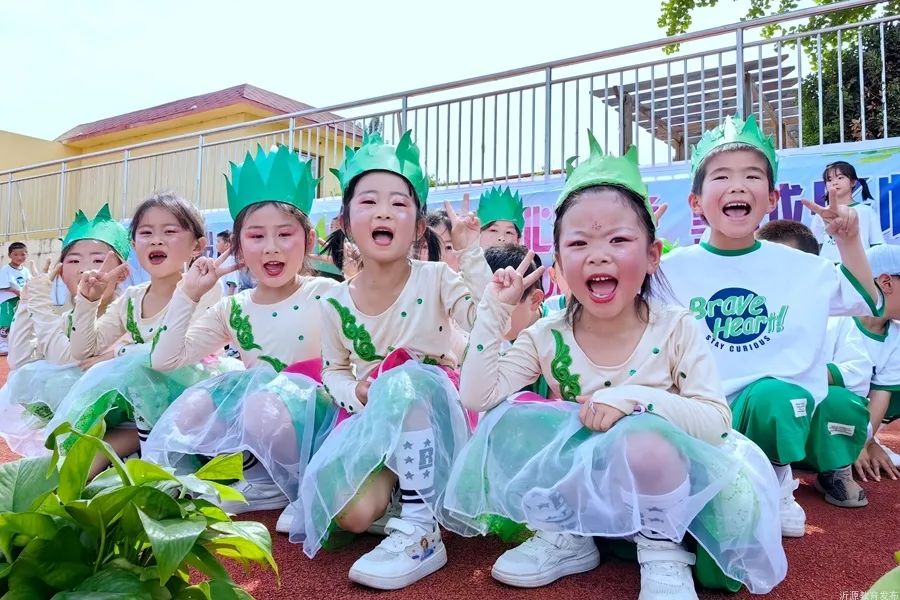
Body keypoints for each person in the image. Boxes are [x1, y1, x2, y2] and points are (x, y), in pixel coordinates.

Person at [445, 136, 785, 597]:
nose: (598, 255)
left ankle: (663, 552)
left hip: (669, 485)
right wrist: (493, 312)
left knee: (644, 439)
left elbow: (715, 419)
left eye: (619, 240)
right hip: (587, 490)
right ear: (560, 262)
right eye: (579, 242)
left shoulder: (675, 327)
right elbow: (477, 398)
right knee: (510, 418)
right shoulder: (548, 333)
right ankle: (570, 535)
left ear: (651, 256)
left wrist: (630, 401)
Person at [661, 114, 883, 538]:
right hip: (698, 415)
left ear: (772, 197)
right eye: (722, 176)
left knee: (775, 394)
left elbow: (866, 298)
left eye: (752, 176)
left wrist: (849, 240)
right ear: (696, 202)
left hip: (774, 412)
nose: (738, 186)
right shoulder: (671, 270)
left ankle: (776, 481)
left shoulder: (802, 268)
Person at [289, 131, 491, 590]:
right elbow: (333, 372)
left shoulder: (438, 277)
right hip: (374, 419)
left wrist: (472, 254)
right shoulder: (335, 302)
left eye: (399, 204)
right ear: (344, 221)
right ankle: (403, 496)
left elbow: (485, 320)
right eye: (369, 202)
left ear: (419, 226)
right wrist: (353, 391)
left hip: (435, 417)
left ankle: (421, 530)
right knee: (354, 516)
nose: (384, 212)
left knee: (407, 380)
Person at [143, 145, 339, 533]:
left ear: (309, 240)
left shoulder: (326, 293)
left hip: (319, 420)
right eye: (256, 235)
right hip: (265, 418)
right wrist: (188, 293)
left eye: (285, 234)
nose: (271, 247)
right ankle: (259, 479)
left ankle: (300, 485)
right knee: (195, 404)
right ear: (236, 245)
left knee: (258, 403)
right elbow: (164, 360)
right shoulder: (232, 308)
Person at [47, 192, 229, 476]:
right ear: (134, 245)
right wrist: (88, 301)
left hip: (194, 395)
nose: (156, 240)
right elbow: (84, 350)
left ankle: (152, 457)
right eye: (146, 233)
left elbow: (174, 354)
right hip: (142, 402)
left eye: (170, 231)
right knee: (79, 464)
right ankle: (137, 447)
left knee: (140, 373)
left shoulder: (205, 289)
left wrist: (119, 354)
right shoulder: (132, 298)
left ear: (198, 246)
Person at [755, 219, 872, 507]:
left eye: (784, 262)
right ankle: (767, 477)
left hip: (814, 426)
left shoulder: (836, 314)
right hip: (764, 423)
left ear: (810, 264)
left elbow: (857, 371)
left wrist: (801, 377)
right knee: (768, 397)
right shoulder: (745, 308)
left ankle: (832, 468)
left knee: (842, 401)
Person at [0, 205, 129, 456]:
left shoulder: (127, 311)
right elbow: (20, 360)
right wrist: (27, 303)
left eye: (98, 260)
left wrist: (40, 303)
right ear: (60, 273)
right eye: (74, 261)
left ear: (122, 272)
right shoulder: (67, 320)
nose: (85, 269)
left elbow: (67, 358)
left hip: (123, 434)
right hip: (80, 437)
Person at [853, 244, 900, 482]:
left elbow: (881, 395)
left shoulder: (896, 337)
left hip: (853, 420)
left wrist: (864, 442)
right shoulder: (835, 320)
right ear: (886, 283)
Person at [810, 160, 883, 262]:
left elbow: (878, 245)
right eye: (829, 180)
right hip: (828, 270)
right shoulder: (822, 213)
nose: (834, 182)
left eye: (840, 178)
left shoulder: (866, 211)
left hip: (858, 269)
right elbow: (814, 247)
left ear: (853, 182)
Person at [0, 242, 32, 355]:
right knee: (6, 321)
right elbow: (6, 286)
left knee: (20, 322)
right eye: (16, 254)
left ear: (27, 255)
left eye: (22, 254)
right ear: (10, 255)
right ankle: (2, 344)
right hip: (8, 300)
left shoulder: (26, 270)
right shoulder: (5, 269)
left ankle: (17, 344)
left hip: (22, 300)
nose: (19, 257)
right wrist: (18, 292)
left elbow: (29, 283)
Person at [216, 230, 239, 296]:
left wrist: (228, 303)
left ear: (227, 245)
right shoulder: (220, 260)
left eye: (218, 241)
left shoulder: (231, 260)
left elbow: (232, 284)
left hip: (226, 301)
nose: (216, 244)